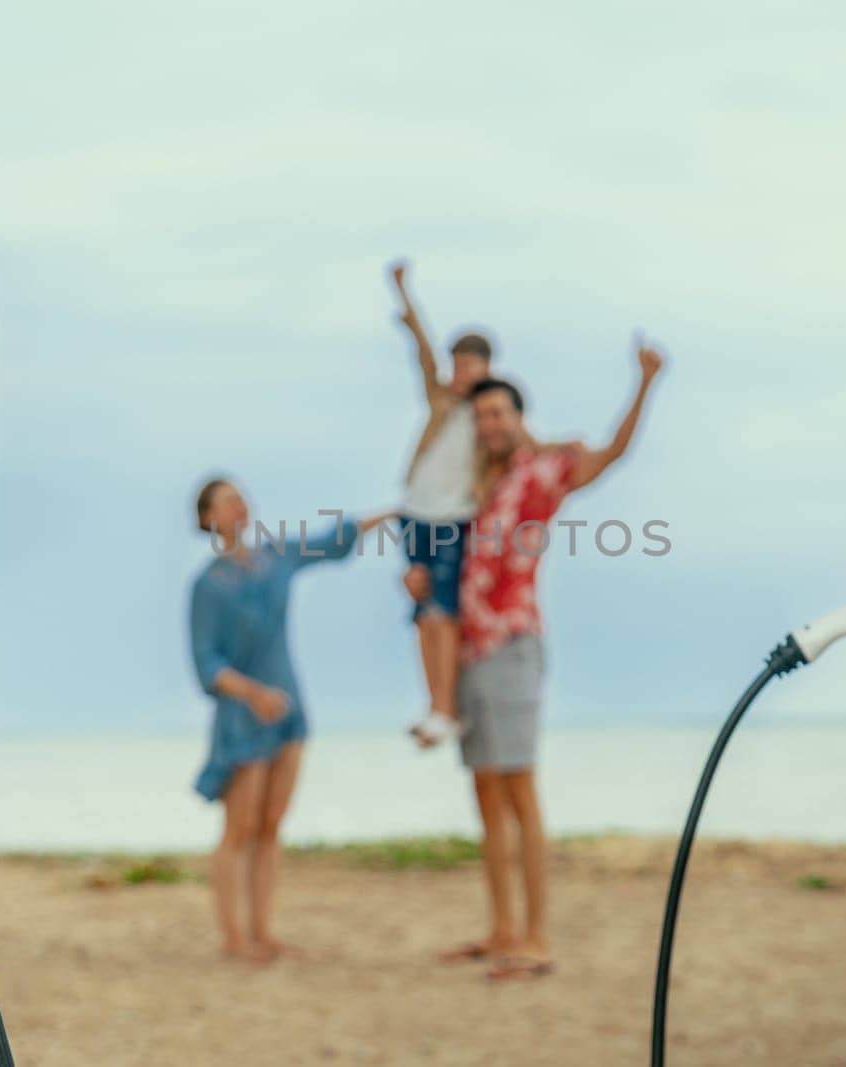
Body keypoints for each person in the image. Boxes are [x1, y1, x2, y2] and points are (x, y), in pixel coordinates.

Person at [410, 340, 665, 980]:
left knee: (519, 789)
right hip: (469, 648)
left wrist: (644, 383)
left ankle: (537, 937)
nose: (490, 425)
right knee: (486, 792)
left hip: (512, 644)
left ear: (519, 417)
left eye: (499, 414)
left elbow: (611, 454)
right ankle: (501, 928)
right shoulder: (479, 482)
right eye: (483, 417)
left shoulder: (544, 471)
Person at [188, 478, 392, 962]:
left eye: (242, 498)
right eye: (228, 501)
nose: (241, 506)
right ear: (207, 520)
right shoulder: (207, 586)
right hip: (242, 718)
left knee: (272, 825)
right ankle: (234, 938)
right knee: (239, 828)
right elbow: (206, 664)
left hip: (291, 713)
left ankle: (263, 931)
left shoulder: (277, 557)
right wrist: (255, 695)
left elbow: (333, 542)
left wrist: (396, 512)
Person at [387, 260, 493, 749]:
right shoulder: (443, 401)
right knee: (424, 611)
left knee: (444, 611)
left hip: (454, 517)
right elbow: (423, 354)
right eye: (457, 364)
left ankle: (447, 709)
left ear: (486, 366)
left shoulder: (491, 408)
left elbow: (524, 443)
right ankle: (434, 707)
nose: (459, 372)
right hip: (416, 512)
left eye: (468, 364)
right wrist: (406, 298)